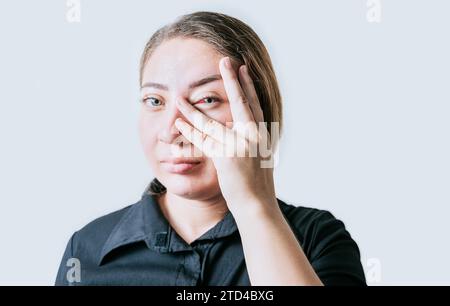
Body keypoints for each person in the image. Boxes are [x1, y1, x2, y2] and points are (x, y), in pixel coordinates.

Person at [55, 11, 366, 286]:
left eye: (207, 100)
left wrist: (252, 204)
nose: (172, 130)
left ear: (259, 114)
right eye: (155, 101)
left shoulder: (317, 239)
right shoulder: (87, 249)